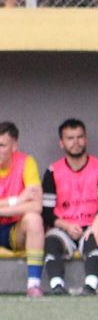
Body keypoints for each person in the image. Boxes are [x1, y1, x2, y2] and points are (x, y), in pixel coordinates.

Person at [41, 118, 98, 295]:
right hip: (63, 227)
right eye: (70, 138)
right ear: (61, 143)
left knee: (95, 239)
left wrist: (96, 225)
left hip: (92, 224)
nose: (76, 142)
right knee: (51, 242)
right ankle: (57, 287)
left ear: (85, 139)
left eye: (80, 137)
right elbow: (47, 212)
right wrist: (66, 226)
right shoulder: (52, 171)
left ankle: (90, 287)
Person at [0, 121, 45, 297]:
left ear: (14, 146)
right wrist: (17, 200)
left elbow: (36, 205)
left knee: (34, 219)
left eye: (2, 145)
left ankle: (33, 285)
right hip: (12, 213)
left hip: (13, 230)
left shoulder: (26, 162)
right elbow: (25, 202)